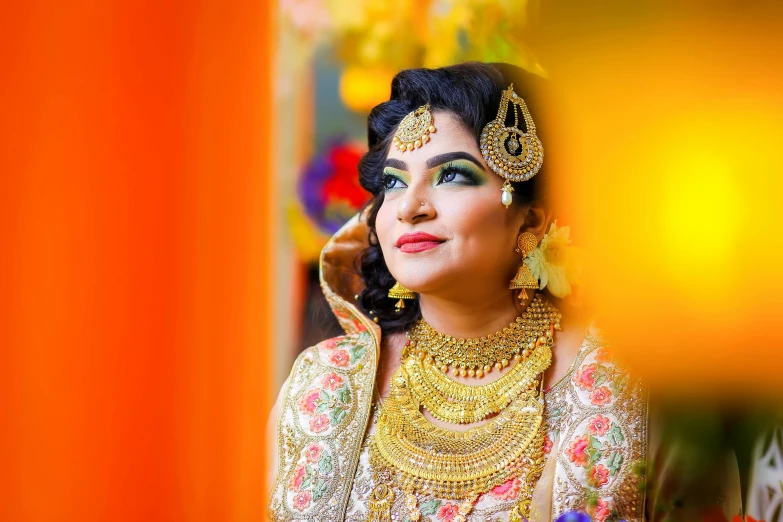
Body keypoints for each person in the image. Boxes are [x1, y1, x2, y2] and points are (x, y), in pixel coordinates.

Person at [267, 62, 734, 522]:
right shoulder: (325, 387)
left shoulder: (636, 386)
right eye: (393, 182)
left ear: (532, 219)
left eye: (451, 175)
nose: (409, 207)